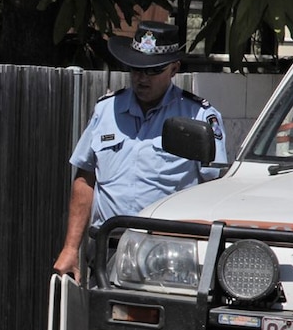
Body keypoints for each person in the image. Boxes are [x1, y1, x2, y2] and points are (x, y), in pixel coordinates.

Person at [53, 20, 228, 283]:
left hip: (167, 253)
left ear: (174, 69)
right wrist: (70, 248)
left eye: (152, 70)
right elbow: (85, 178)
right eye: (135, 69)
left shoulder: (199, 116)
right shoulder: (106, 110)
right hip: (106, 249)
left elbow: (216, 189)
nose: (141, 78)